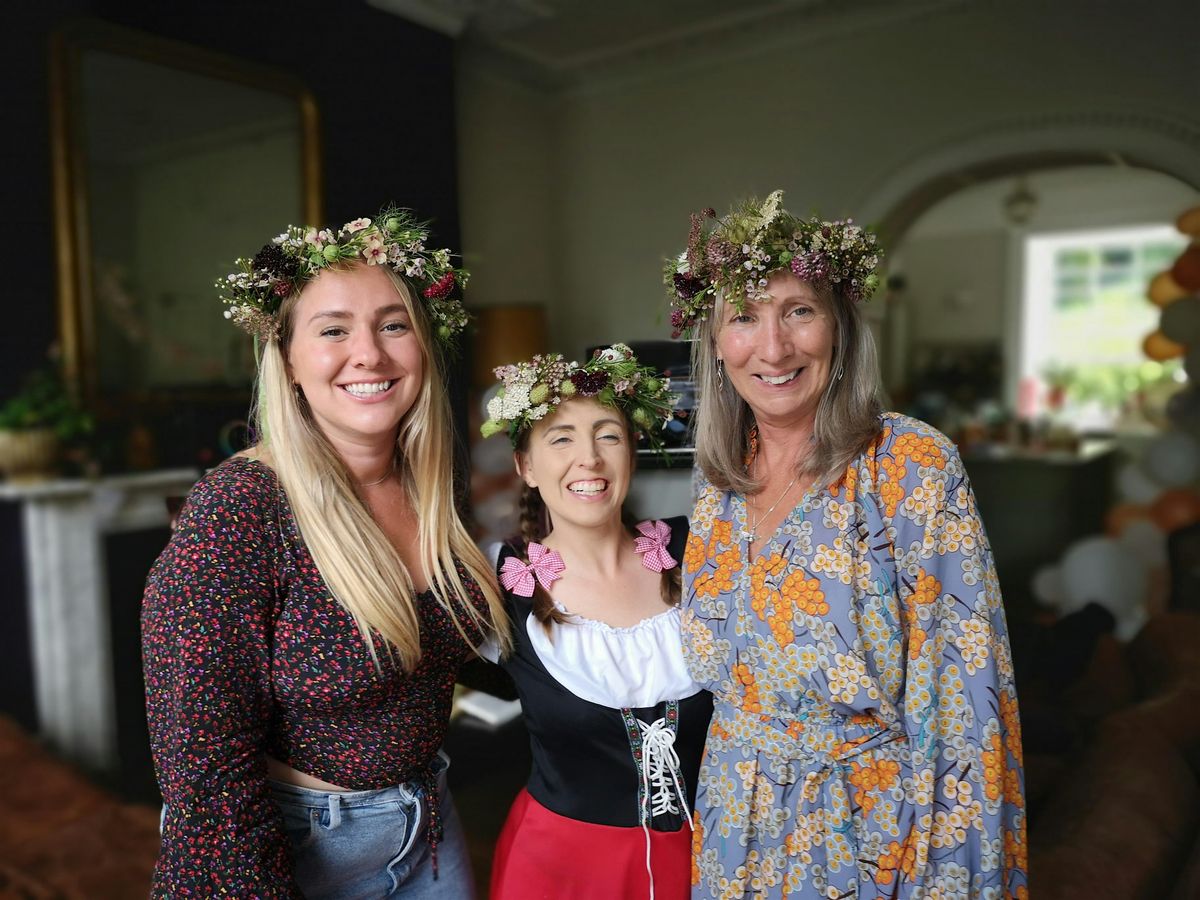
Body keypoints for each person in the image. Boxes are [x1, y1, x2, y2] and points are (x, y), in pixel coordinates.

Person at [665, 192, 1028, 898]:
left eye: (799, 310)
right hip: (732, 826)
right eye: (744, 316)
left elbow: (968, 707)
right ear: (715, 342)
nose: (773, 347)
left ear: (840, 326)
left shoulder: (909, 465)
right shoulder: (720, 482)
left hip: (864, 837)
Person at [141, 209, 508, 898]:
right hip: (302, 847)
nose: (368, 354)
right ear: (288, 360)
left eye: (393, 324)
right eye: (334, 329)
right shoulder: (240, 511)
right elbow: (204, 770)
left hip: (431, 824)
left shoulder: (431, 486)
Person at [478, 344, 714, 899]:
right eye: (561, 438)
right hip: (557, 872)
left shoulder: (699, 550)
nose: (589, 458)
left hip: (707, 861)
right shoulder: (494, 579)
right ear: (526, 465)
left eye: (608, 435)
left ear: (631, 451)